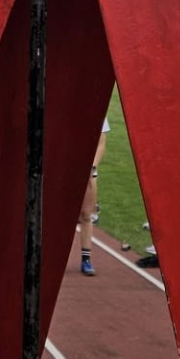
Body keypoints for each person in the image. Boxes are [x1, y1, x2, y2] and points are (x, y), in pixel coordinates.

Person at [78, 118, 108, 277]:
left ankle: (86, 259)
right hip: (64, 166)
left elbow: (101, 142)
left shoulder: (98, 111)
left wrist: (92, 167)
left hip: (89, 169)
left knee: (86, 214)